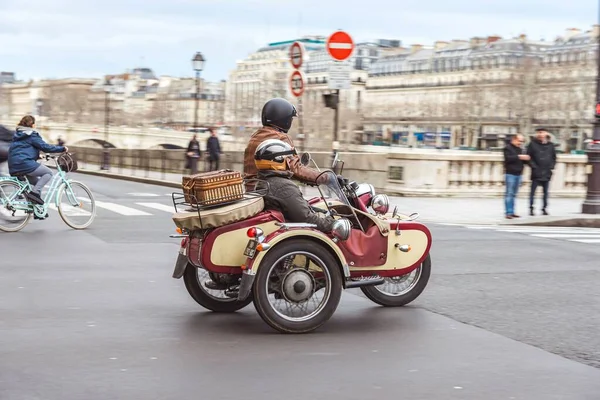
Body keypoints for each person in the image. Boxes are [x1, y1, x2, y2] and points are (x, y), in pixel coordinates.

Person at [254, 139, 339, 233]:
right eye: (288, 159)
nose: (290, 162)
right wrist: (334, 223)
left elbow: (295, 208)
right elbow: (307, 219)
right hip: (296, 232)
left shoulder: (264, 181)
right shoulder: (283, 187)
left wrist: (321, 211)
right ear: (280, 160)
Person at [243, 98, 322, 190]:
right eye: (290, 118)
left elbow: (276, 167)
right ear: (284, 119)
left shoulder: (255, 137)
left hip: (252, 192)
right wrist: (324, 177)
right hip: (271, 193)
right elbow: (296, 169)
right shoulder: (281, 138)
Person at [7, 115, 67, 206]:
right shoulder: (31, 134)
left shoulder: (17, 135)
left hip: (13, 165)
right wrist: (62, 149)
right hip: (24, 164)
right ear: (33, 125)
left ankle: (36, 210)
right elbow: (45, 147)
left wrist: (38, 156)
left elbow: (21, 150)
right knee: (48, 173)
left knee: (37, 183)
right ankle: (34, 194)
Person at [527, 127, 557, 216]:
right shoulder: (532, 144)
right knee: (533, 192)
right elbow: (528, 157)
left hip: (546, 172)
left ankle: (544, 208)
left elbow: (554, 157)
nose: (540, 134)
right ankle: (531, 208)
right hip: (536, 171)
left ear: (546, 134)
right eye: (539, 132)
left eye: (542, 132)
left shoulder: (551, 145)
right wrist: (534, 167)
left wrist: (551, 166)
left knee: (545, 192)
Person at [503, 133, 530, 219]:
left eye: (522, 141)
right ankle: (508, 212)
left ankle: (512, 212)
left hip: (519, 174)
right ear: (514, 140)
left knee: (514, 194)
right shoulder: (507, 148)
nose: (521, 143)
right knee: (509, 194)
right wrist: (519, 156)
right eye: (519, 141)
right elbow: (508, 159)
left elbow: (523, 161)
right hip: (510, 174)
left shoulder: (521, 149)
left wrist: (526, 159)